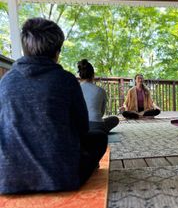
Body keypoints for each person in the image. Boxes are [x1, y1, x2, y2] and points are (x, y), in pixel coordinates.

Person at [0, 18, 107, 194]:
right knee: (100, 137)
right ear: (57, 51)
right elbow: (82, 128)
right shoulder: (65, 80)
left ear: (24, 48)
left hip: (9, 179)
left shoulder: (5, 82)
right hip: (61, 177)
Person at [77, 59, 119, 133]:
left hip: (79, 127)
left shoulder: (74, 89)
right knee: (115, 119)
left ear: (80, 75)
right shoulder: (101, 91)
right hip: (96, 126)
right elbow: (101, 113)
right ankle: (97, 133)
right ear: (93, 75)